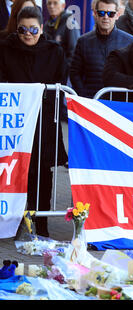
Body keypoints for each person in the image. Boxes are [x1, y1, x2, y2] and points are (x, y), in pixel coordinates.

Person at [0, 6, 68, 237]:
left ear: (41, 28)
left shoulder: (54, 51)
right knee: (16, 170)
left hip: (44, 121)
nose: (28, 34)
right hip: (14, 122)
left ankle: (41, 224)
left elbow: (60, 82)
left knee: (43, 173)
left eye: (33, 29)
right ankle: (14, 220)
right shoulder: (5, 48)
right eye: (22, 29)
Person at [69, 0, 133, 98]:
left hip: (119, 102)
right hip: (91, 102)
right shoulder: (83, 41)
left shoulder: (130, 41)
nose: (106, 17)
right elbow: (74, 72)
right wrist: (83, 95)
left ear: (117, 15)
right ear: (95, 14)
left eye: (111, 14)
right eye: (101, 13)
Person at [44, 0, 80, 75]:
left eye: (55, 3)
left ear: (63, 5)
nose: (51, 6)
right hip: (49, 72)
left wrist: (64, 70)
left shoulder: (70, 24)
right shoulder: (47, 25)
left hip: (65, 74)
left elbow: (74, 51)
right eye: (49, 3)